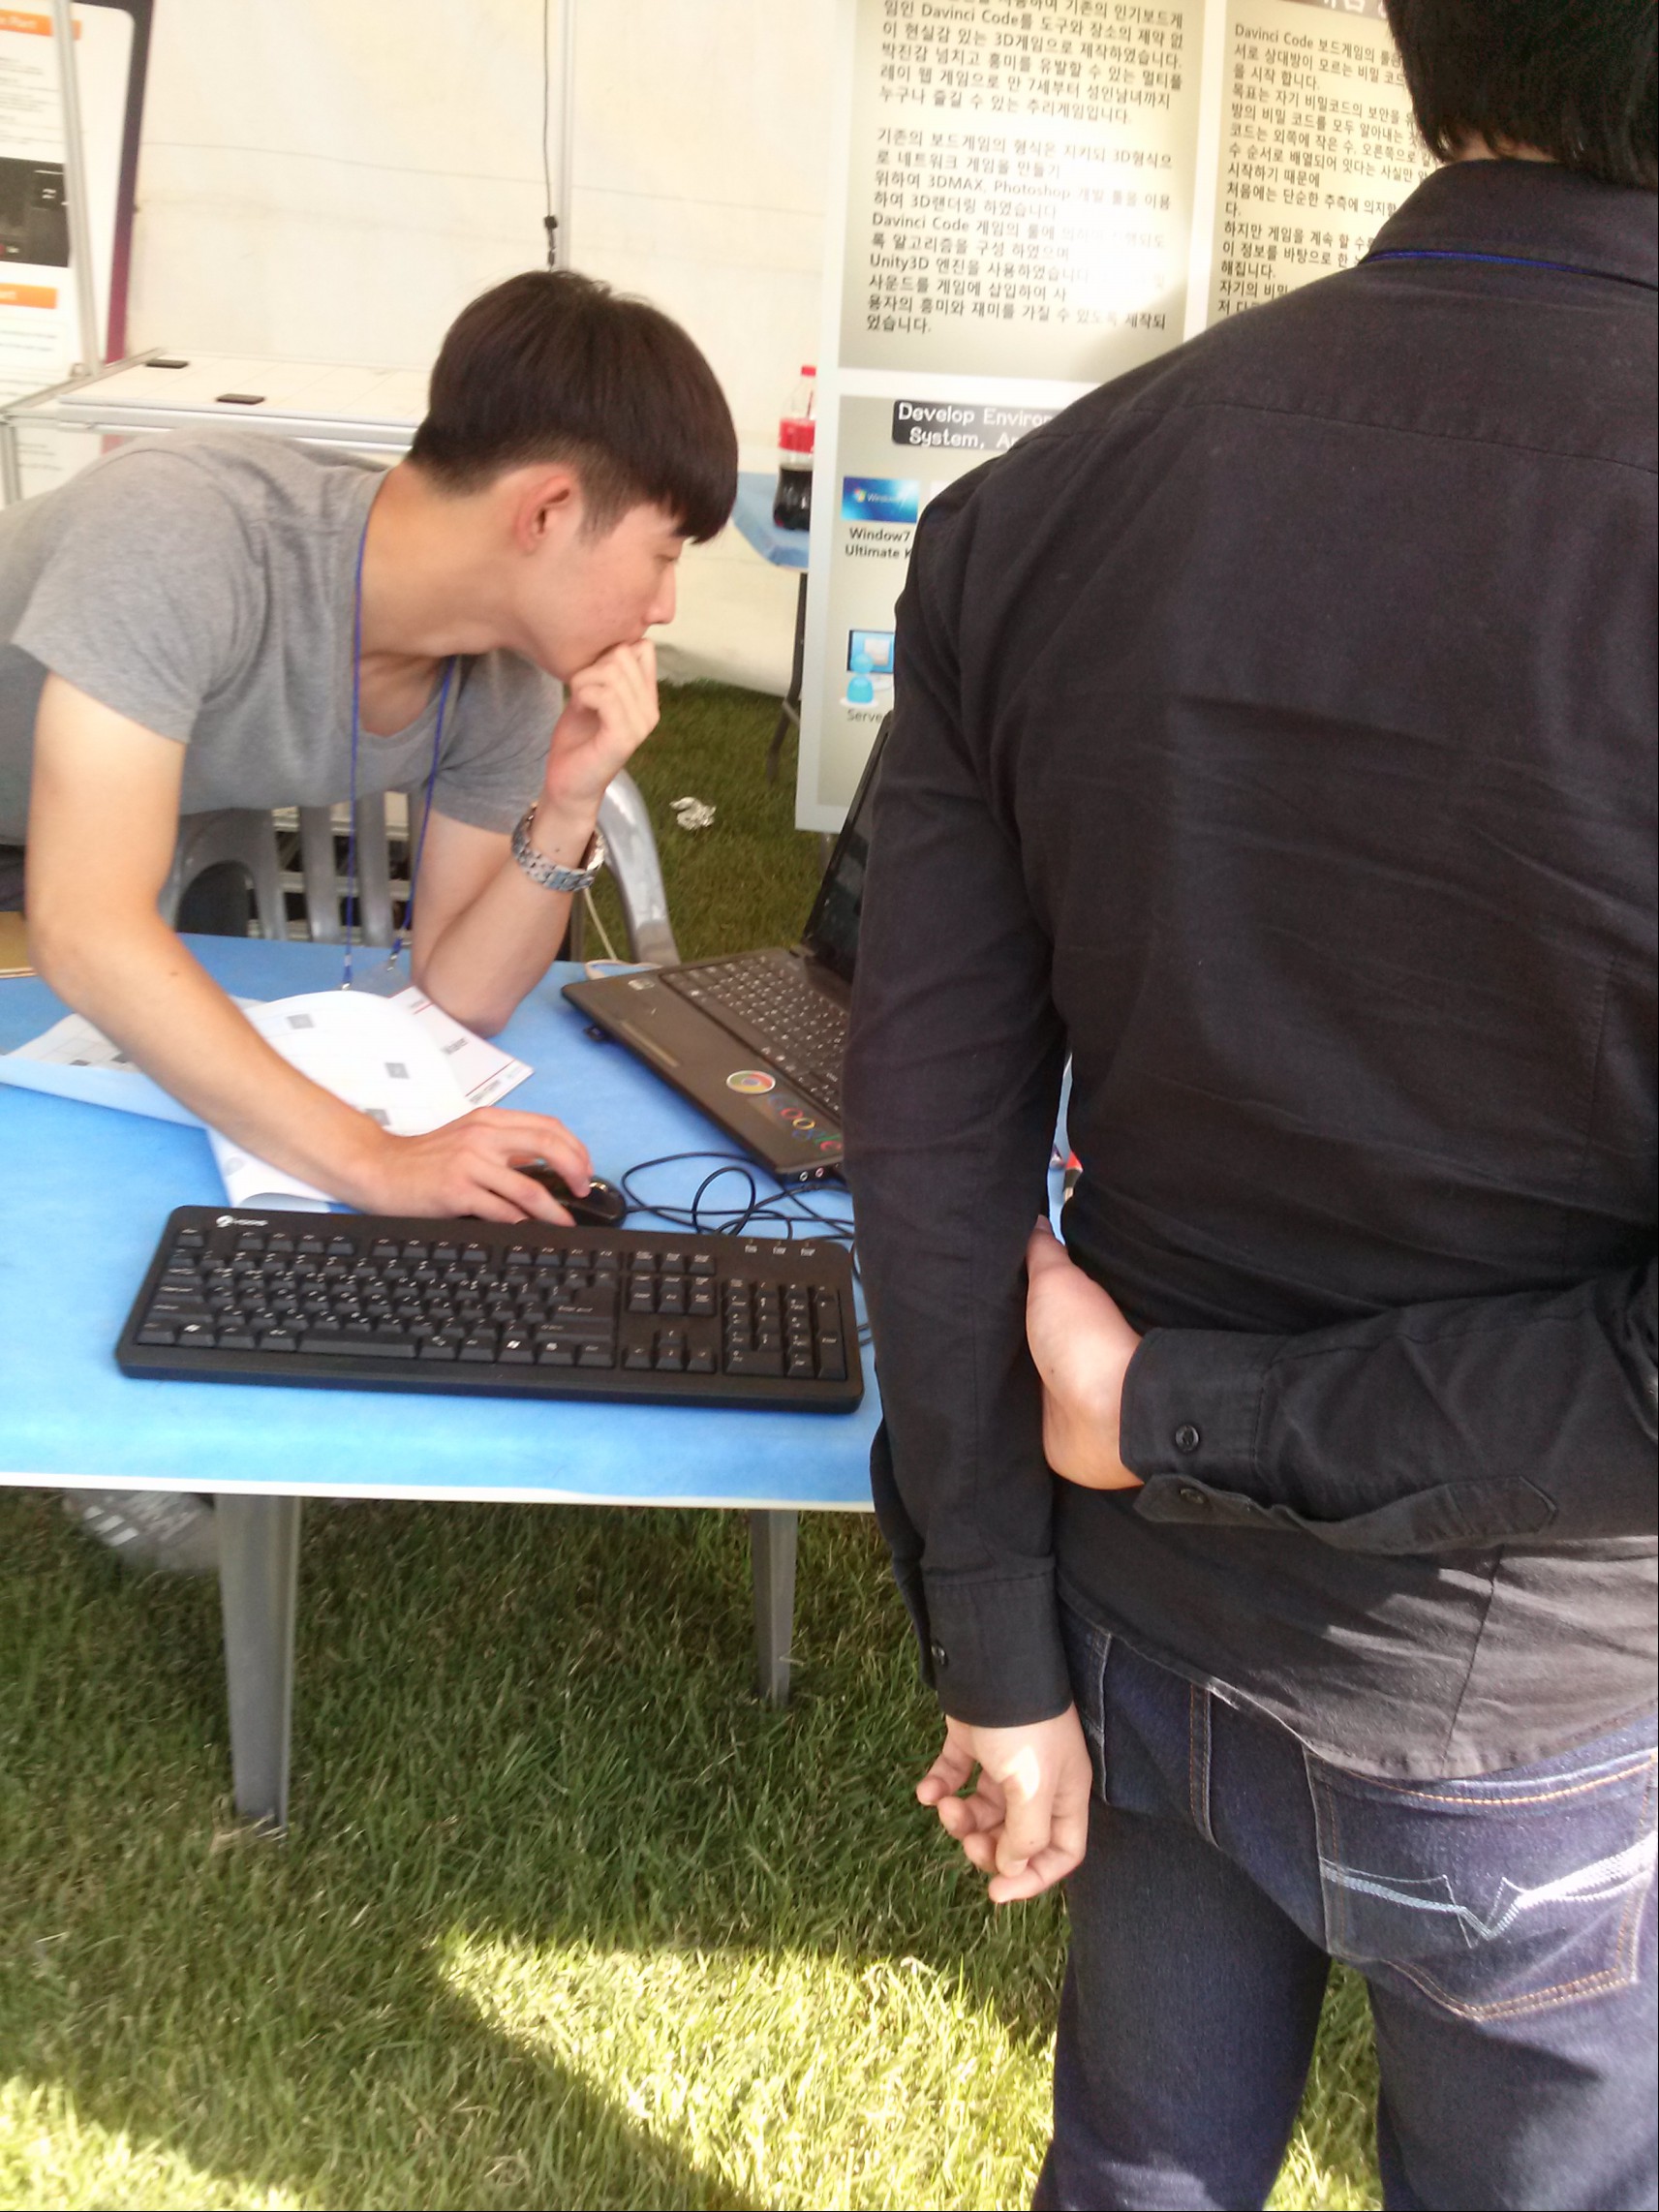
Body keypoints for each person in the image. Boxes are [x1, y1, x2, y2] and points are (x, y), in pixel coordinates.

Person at [842, 0, 1656, 2203]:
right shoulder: (1047, 511)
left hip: (1153, 1609)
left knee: (1133, 2166)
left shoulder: (1055, 501)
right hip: (1531, 1702)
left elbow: (927, 1150)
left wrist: (1008, 1627)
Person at [0, 267, 736, 1568]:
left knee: (160, 1082)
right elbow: (82, 923)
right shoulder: (181, 531)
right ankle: (81, 1412)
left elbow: (460, 992)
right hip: (41, 852)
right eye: (664, 556)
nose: (665, 606)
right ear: (548, 510)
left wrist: (568, 803)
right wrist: (374, 1161)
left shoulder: (503, 677)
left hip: (112, 829)